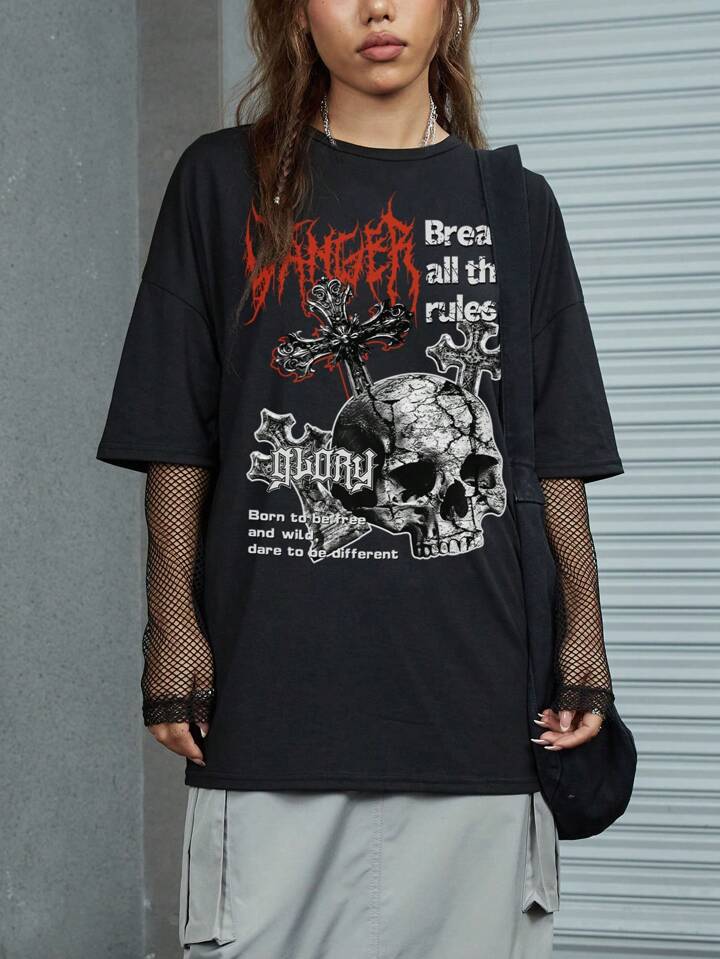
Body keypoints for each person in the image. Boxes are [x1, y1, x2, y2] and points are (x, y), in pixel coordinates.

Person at [96, 1, 624, 956]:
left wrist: (583, 627)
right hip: (272, 713)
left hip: (479, 720)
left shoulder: (515, 205)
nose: (377, 8)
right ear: (296, 14)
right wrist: (171, 620)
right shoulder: (224, 181)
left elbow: (559, 448)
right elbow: (177, 427)